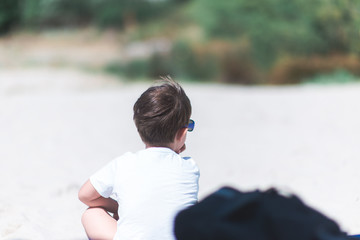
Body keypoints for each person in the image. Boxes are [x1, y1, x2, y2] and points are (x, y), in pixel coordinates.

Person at [78, 77, 200, 240]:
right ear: (182, 133)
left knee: (91, 214)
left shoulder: (124, 163)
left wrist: (118, 207)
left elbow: (85, 195)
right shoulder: (190, 167)